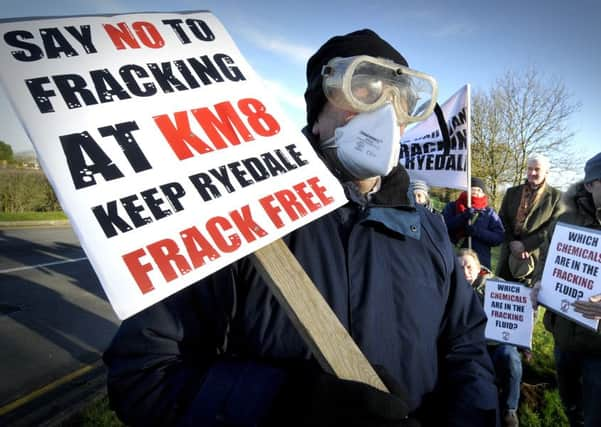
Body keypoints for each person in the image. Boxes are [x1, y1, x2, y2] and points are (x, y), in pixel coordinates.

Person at [103, 29, 498, 427]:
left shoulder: (428, 232)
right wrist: (282, 404)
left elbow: (467, 350)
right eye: (362, 90)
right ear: (316, 116)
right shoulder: (241, 222)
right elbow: (144, 374)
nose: (383, 115)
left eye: (397, 99)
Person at [530, 152, 601, 427]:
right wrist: (539, 283)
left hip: (598, 349)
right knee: (572, 407)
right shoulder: (565, 222)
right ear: (589, 185)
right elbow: (546, 260)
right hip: (563, 339)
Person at [457, 249, 523, 427]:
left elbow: (519, 314)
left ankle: (510, 409)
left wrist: (525, 345)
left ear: (479, 268)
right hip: (471, 344)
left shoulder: (497, 284)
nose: (465, 272)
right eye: (460, 267)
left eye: (469, 267)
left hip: (499, 342)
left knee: (510, 357)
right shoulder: (453, 288)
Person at [496, 154, 564, 285]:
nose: (532, 172)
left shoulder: (557, 197)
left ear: (546, 172)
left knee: (527, 301)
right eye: (529, 168)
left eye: (537, 169)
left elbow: (554, 226)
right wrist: (512, 243)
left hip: (535, 258)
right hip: (508, 255)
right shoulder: (511, 192)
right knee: (502, 297)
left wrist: (526, 246)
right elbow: (502, 219)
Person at [443, 177, 505, 270]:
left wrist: (477, 232)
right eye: (472, 189)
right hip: (454, 260)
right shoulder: (452, 206)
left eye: (479, 190)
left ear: (483, 193)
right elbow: (443, 227)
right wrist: (463, 217)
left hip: (480, 263)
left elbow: (499, 238)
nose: (475, 192)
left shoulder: (489, 213)